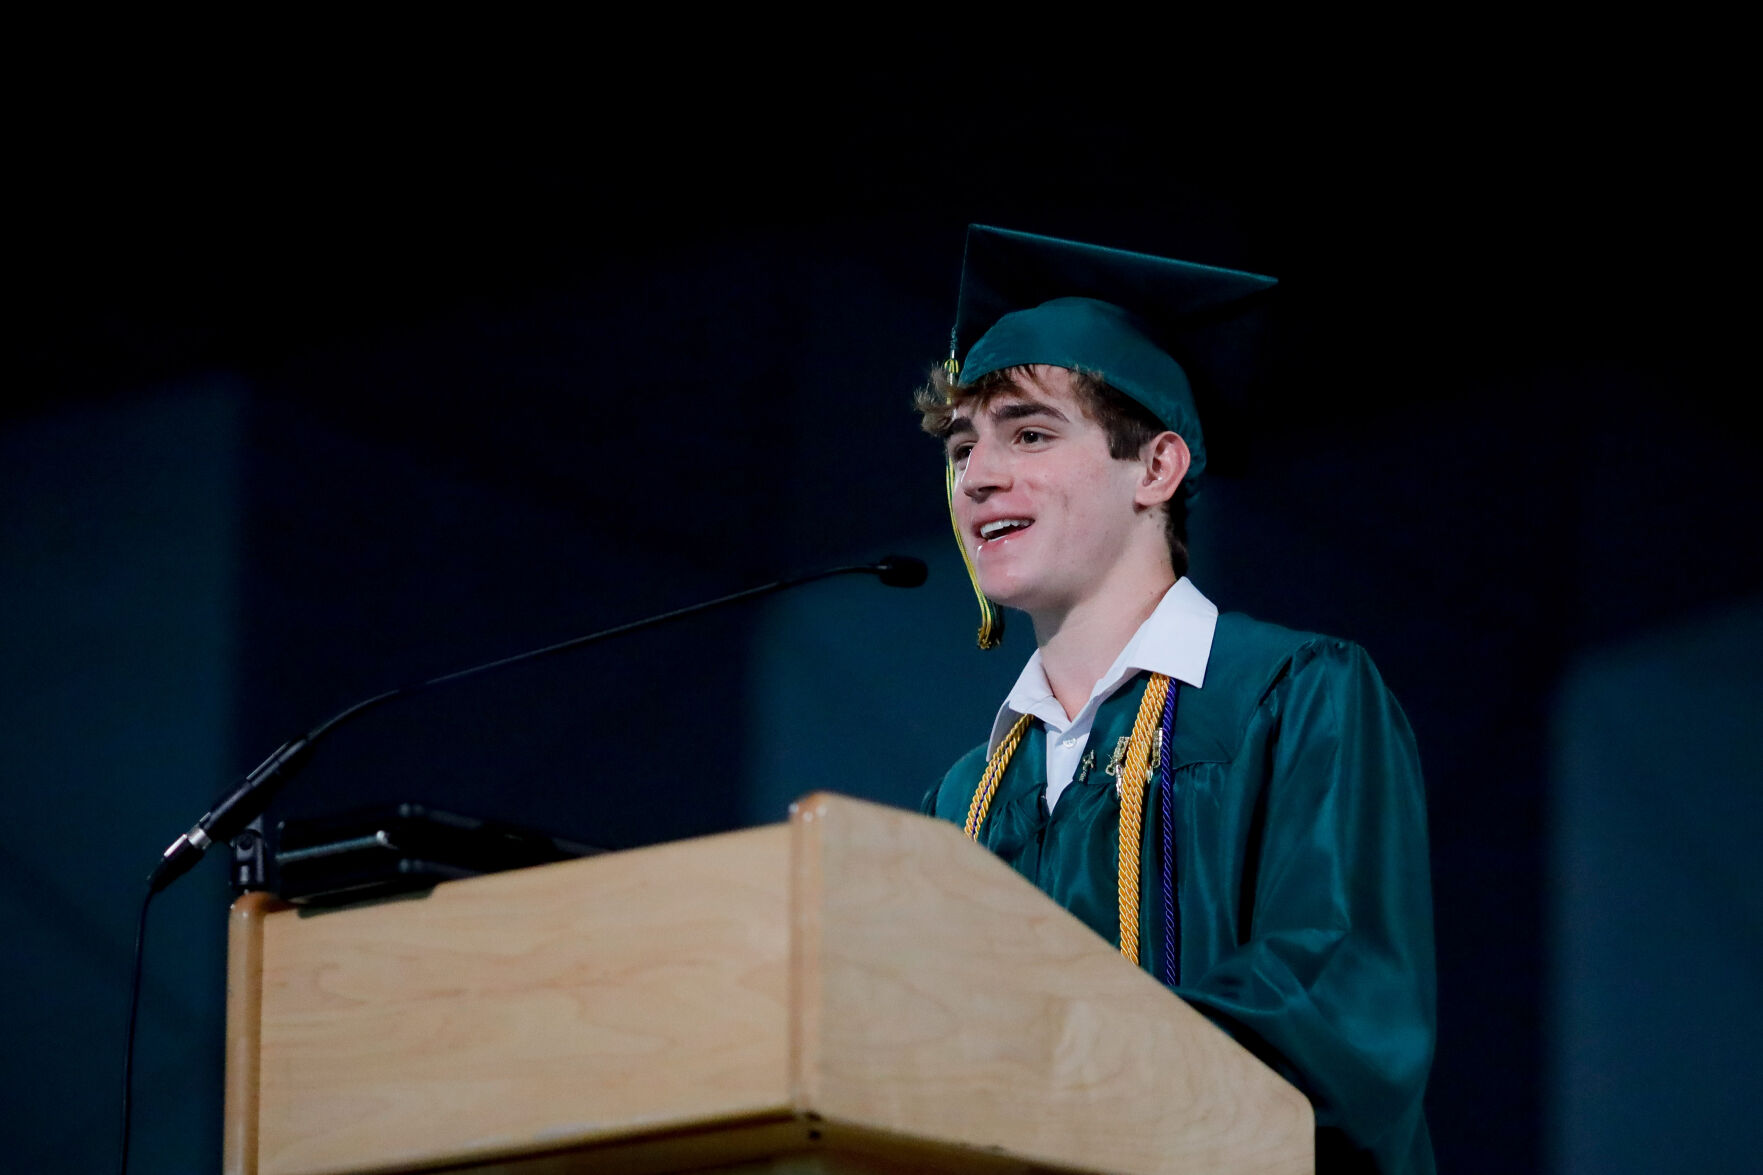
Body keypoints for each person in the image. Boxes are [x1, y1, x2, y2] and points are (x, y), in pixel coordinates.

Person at [916, 226, 1436, 1175]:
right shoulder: (965, 798)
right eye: (962, 447)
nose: (977, 474)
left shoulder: (1292, 696)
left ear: (1155, 468)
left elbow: (1336, 1004)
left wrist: (1054, 1071)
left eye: (1028, 433)